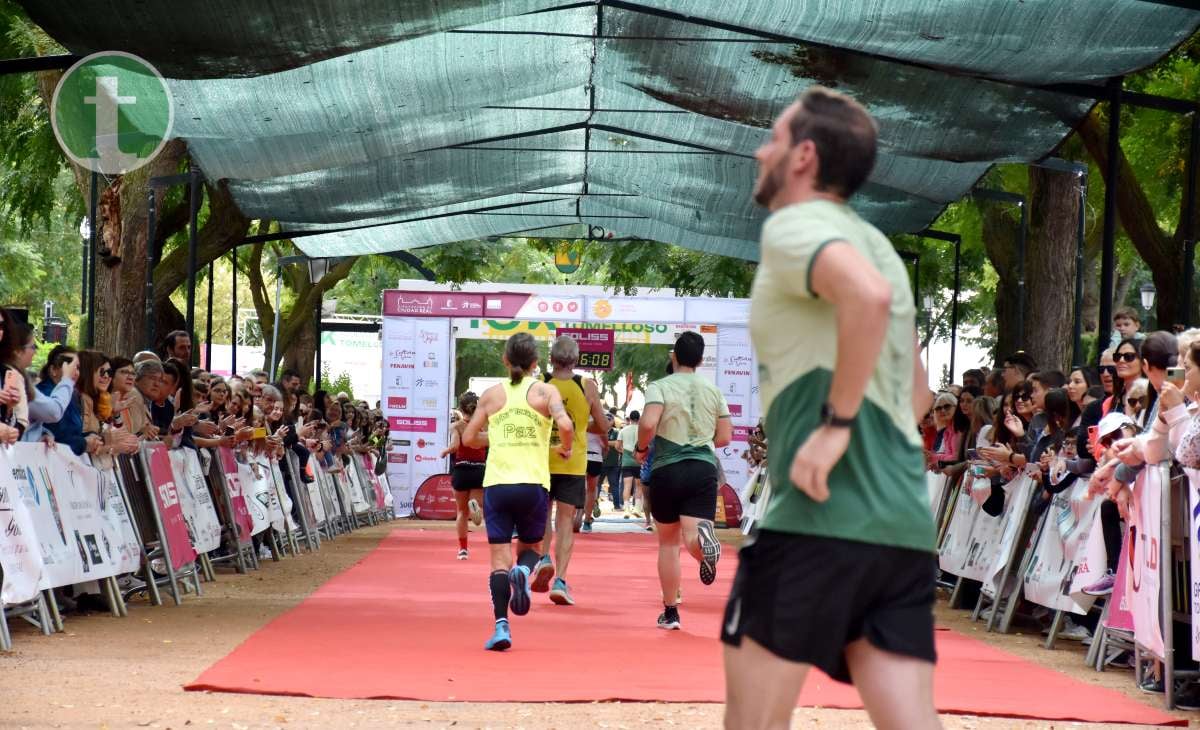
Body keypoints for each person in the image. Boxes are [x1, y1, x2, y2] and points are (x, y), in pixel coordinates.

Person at [721, 86, 939, 730]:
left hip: (816, 523)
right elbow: (918, 395)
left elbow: (864, 300)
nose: (761, 150)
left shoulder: (795, 227)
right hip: (900, 528)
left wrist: (836, 427)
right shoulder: (879, 247)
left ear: (803, 156)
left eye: (774, 137)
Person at [461, 333, 574, 652]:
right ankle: (523, 572)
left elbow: (469, 438)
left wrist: (499, 437)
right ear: (536, 363)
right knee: (532, 549)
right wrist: (564, 448)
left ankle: (501, 627)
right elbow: (565, 426)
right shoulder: (545, 391)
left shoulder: (491, 395)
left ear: (505, 360)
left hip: (497, 484)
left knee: (498, 559)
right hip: (533, 484)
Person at [634, 331, 732, 629]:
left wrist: (640, 449)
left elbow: (649, 422)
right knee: (693, 534)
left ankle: (671, 613)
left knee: (668, 543)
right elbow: (725, 437)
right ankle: (705, 541)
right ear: (701, 360)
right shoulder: (713, 391)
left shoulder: (659, 386)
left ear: (673, 356)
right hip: (702, 468)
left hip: (667, 467)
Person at [532, 335, 608, 606]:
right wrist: (584, 427)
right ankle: (561, 581)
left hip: (542, 461)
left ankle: (543, 558)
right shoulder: (586, 385)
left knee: (543, 515)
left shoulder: (540, 383)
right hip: (573, 462)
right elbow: (603, 425)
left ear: (551, 359)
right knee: (565, 521)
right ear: (575, 360)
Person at [441, 391, 486, 560]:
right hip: (479, 469)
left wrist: (445, 451)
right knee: (477, 509)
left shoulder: (457, 426)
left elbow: (454, 446)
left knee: (461, 512)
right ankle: (477, 506)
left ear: (460, 408)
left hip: (461, 470)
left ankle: (463, 549)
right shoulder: (484, 425)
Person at [617, 410, 643, 519]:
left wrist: (626, 453)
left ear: (630, 419)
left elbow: (617, 446)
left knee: (627, 485)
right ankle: (637, 508)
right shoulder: (642, 431)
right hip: (639, 460)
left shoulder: (623, 430)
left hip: (626, 461)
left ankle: (626, 510)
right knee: (638, 485)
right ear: (639, 418)